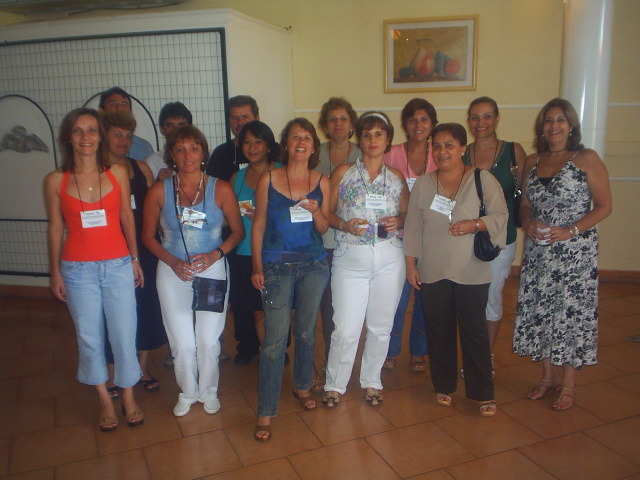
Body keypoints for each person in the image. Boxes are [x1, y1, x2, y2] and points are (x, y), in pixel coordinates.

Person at [44, 107, 144, 432]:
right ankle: (104, 399)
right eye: (77, 130)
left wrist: (135, 258)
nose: (85, 137)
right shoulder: (55, 180)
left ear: (100, 136)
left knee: (124, 334)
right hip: (77, 270)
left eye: (91, 130)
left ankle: (128, 395)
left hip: (118, 265)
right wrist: (55, 272)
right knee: (89, 337)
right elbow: (55, 227)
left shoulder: (117, 173)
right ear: (68, 138)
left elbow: (126, 217)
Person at [512, 98, 612, 411]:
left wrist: (570, 230)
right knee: (541, 310)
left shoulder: (586, 158)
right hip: (539, 252)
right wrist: (528, 222)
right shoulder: (532, 161)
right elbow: (525, 205)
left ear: (571, 126)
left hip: (575, 254)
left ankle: (568, 384)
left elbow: (604, 206)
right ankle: (548, 377)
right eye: (548, 120)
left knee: (571, 315)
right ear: (541, 126)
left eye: (560, 120)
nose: (554, 126)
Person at [404, 122, 508, 416]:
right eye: (436, 146)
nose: (442, 151)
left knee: (475, 332)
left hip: (471, 269)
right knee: (439, 330)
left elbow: (501, 215)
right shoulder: (424, 184)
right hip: (432, 268)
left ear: (463, 148)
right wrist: (411, 264)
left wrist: (476, 224)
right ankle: (444, 385)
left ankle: (483, 392)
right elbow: (412, 226)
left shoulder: (482, 179)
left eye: (449, 145)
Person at [142, 125, 244, 417]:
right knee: (183, 342)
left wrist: (215, 254)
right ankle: (188, 391)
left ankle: (208, 390)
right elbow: (148, 237)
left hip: (211, 272)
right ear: (171, 155)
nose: (187, 155)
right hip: (172, 273)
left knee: (208, 340)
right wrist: (173, 262)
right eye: (180, 149)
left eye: (193, 148)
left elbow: (238, 231)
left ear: (203, 153)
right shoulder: (158, 191)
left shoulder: (220, 188)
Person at [251, 118, 330, 441]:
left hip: (314, 265)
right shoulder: (268, 178)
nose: (301, 142)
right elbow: (258, 225)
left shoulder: (322, 181)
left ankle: (302, 385)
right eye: (295, 136)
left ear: (313, 147)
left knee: (307, 331)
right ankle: (266, 410)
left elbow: (323, 228)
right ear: (286, 144)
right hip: (276, 266)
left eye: (307, 137)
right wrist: (257, 267)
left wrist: (316, 211)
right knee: (274, 340)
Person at [323, 111, 408, 409]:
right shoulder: (343, 172)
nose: (373, 139)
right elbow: (326, 213)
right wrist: (344, 225)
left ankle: (372, 380)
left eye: (379, 134)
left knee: (380, 326)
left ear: (388, 140)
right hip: (350, 257)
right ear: (359, 139)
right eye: (367, 134)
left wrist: (398, 221)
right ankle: (335, 383)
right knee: (346, 328)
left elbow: (406, 213)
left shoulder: (396, 177)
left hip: (389, 257)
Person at [100, 111, 167, 394]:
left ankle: (141, 367)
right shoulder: (95, 172)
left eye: (128, 135)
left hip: (144, 249)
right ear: (104, 136)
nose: (124, 140)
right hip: (109, 251)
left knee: (145, 307)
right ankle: (113, 371)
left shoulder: (141, 169)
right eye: (117, 134)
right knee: (112, 312)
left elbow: (155, 210)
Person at [463, 96, 527, 372]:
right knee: (468, 300)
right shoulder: (462, 153)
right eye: (475, 117)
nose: (481, 122)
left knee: (491, 297)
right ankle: (470, 354)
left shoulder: (514, 152)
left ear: (497, 119)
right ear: (469, 121)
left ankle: (484, 358)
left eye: (487, 116)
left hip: (500, 239)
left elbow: (526, 195)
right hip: (464, 239)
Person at [383, 98, 438, 373]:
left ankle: (419, 350)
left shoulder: (440, 153)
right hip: (398, 237)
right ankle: (389, 350)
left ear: (433, 124)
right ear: (405, 124)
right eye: (413, 119)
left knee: (425, 299)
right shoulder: (391, 154)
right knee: (397, 298)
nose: (418, 124)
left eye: (424, 119)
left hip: (432, 238)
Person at [314, 96, 361, 390]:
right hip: (319, 239)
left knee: (350, 308)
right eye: (332, 119)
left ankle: (350, 360)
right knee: (327, 307)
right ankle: (331, 362)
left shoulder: (363, 153)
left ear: (352, 124)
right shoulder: (314, 153)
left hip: (353, 241)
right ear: (325, 125)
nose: (338, 124)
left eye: (343, 118)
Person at [228, 121, 281, 365]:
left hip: (276, 252)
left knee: (276, 309)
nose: (252, 147)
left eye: (258, 141)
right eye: (247, 142)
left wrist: (260, 214)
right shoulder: (236, 178)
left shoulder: (282, 172)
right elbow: (228, 216)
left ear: (269, 145)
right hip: (245, 251)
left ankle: (277, 352)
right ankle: (264, 354)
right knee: (254, 309)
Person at [205, 95, 259, 181]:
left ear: (257, 118)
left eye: (245, 117)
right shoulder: (220, 154)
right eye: (235, 118)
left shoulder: (268, 150)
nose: (240, 122)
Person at [99, 87, 154, 162]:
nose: (119, 108)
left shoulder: (144, 147)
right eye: (112, 104)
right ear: (101, 111)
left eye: (124, 104)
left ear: (131, 113)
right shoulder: (92, 143)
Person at [145, 101, 193, 180]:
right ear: (161, 129)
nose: (176, 129)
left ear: (190, 128)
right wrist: (157, 182)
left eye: (181, 124)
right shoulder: (152, 162)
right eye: (170, 125)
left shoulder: (201, 158)